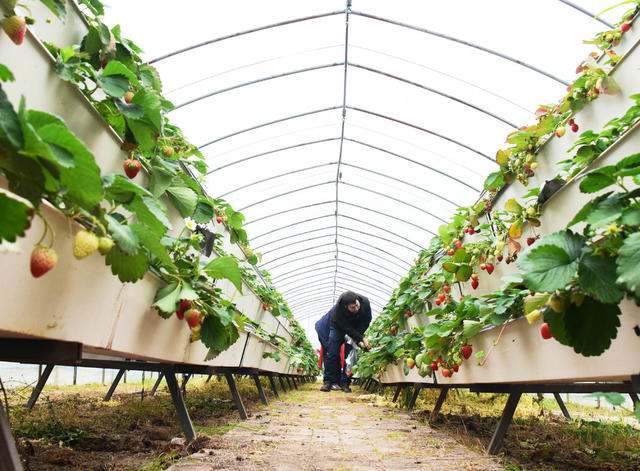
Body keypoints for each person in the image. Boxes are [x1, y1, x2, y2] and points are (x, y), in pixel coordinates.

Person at [316, 291, 371, 392]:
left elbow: (366, 321)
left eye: (357, 305)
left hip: (355, 328)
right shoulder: (338, 309)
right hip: (337, 327)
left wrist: (358, 336)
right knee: (332, 353)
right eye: (352, 307)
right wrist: (361, 338)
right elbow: (345, 327)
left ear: (358, 300)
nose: (356, 309)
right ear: (346, 306)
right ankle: (328, 382)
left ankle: (345, 383)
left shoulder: (365, 303)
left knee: (349, 355)